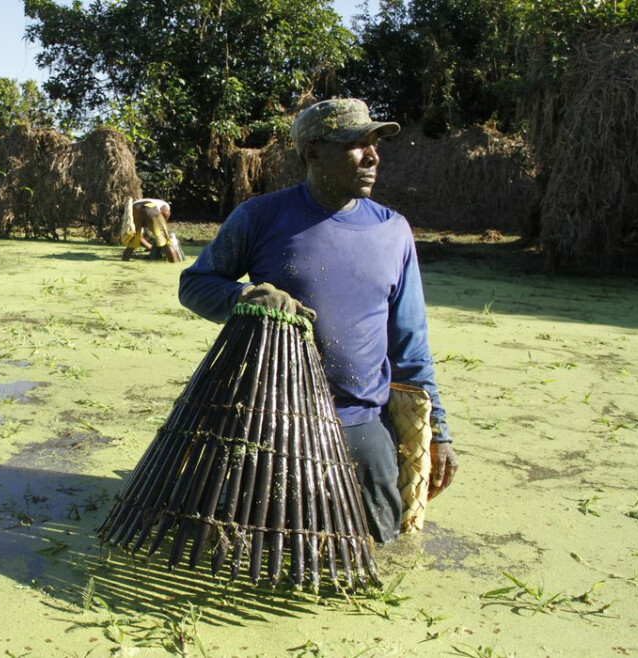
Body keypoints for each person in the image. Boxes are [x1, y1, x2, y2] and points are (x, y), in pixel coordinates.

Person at [177, 98, 458, 543]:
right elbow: (195, 283)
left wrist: (438, 430)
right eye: (355, 144)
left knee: (379, 545)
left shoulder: (393, 232)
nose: (372, 156)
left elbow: (410, 346)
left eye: (374, 144)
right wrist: (244, 297)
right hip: (271, 422)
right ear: (312, 153)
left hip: (359, 422)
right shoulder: (260, 217)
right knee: (251, 544)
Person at [122, 198, 181, 262]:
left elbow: (140, 238)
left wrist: (151, 248)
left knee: (133, 240)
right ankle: (174, 262)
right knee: (166, 240)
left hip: (134, 209)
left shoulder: (150, 202)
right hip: (150, 208)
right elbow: (166, 213)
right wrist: (163, 233)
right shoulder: (165, 205)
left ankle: (125, 260)